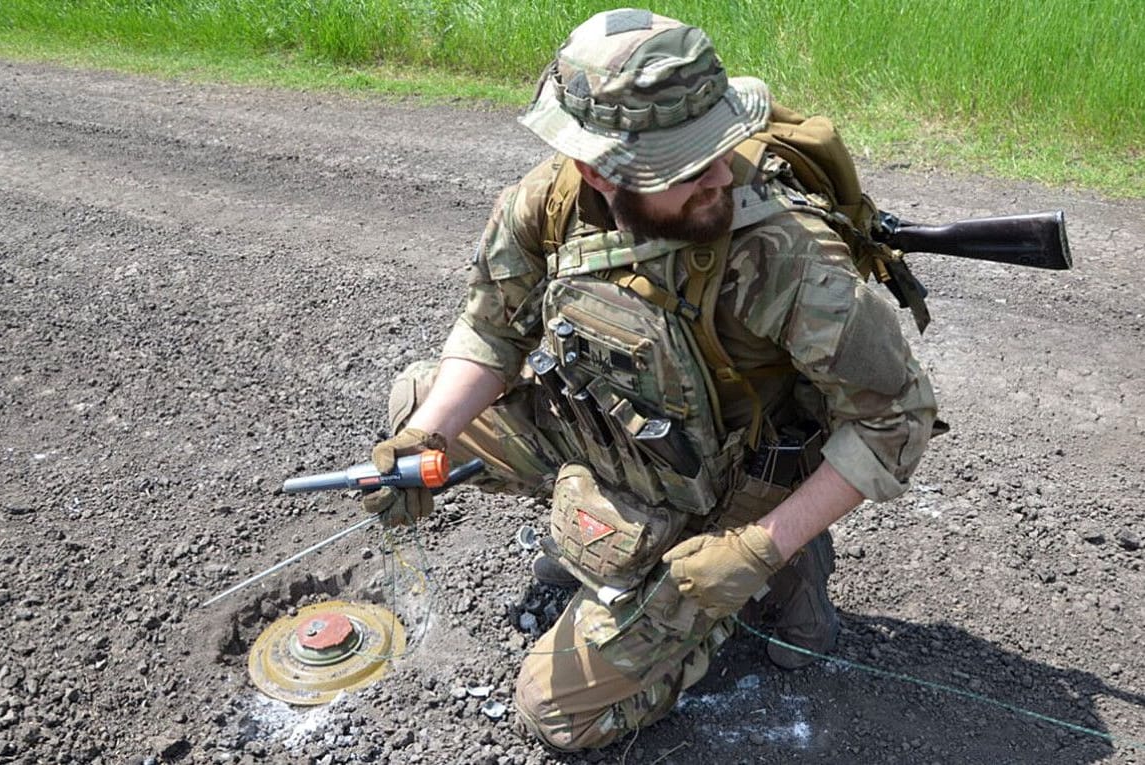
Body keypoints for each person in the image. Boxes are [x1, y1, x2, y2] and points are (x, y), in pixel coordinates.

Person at [364, 8, 937, 751]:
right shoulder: (551, 202)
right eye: (682, 168)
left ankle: (782, 569)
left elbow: (896, 417)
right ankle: (621, 531)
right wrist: (426, 436)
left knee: (556, 712)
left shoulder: (788, 262)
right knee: (417, 401)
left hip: (739, 475)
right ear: (597, 169)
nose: (717, 180)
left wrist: (757, 548)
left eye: (719, 150)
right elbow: (492, 329)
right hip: (622, 426)